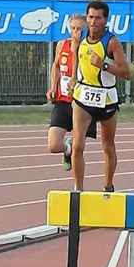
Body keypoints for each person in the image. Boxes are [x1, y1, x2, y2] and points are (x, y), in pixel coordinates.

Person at [67, 0, 131, 191]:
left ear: (105, 20)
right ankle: (78, 189)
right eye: (91, 17)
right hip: (83, 96)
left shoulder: (111, 42)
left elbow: (126, 73)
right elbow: (75, 57)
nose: (94, 21)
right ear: (86, 18)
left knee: (108, 146)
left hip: (107, 100)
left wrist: (103, 65)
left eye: (98, 18)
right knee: (77, 145)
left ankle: (108, 187)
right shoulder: (79, 36)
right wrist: (73, 78)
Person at [46, 13, 97, 170]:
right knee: (53, 145)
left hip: (82, 103)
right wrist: (53, 86)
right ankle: (66, 149)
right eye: (73, 28)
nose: (75, 32)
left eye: (80, 29)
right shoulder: (62, 45)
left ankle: (78, 185)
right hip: (63, 101)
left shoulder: (89, 49)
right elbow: (56, 66)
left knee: (78, 149)